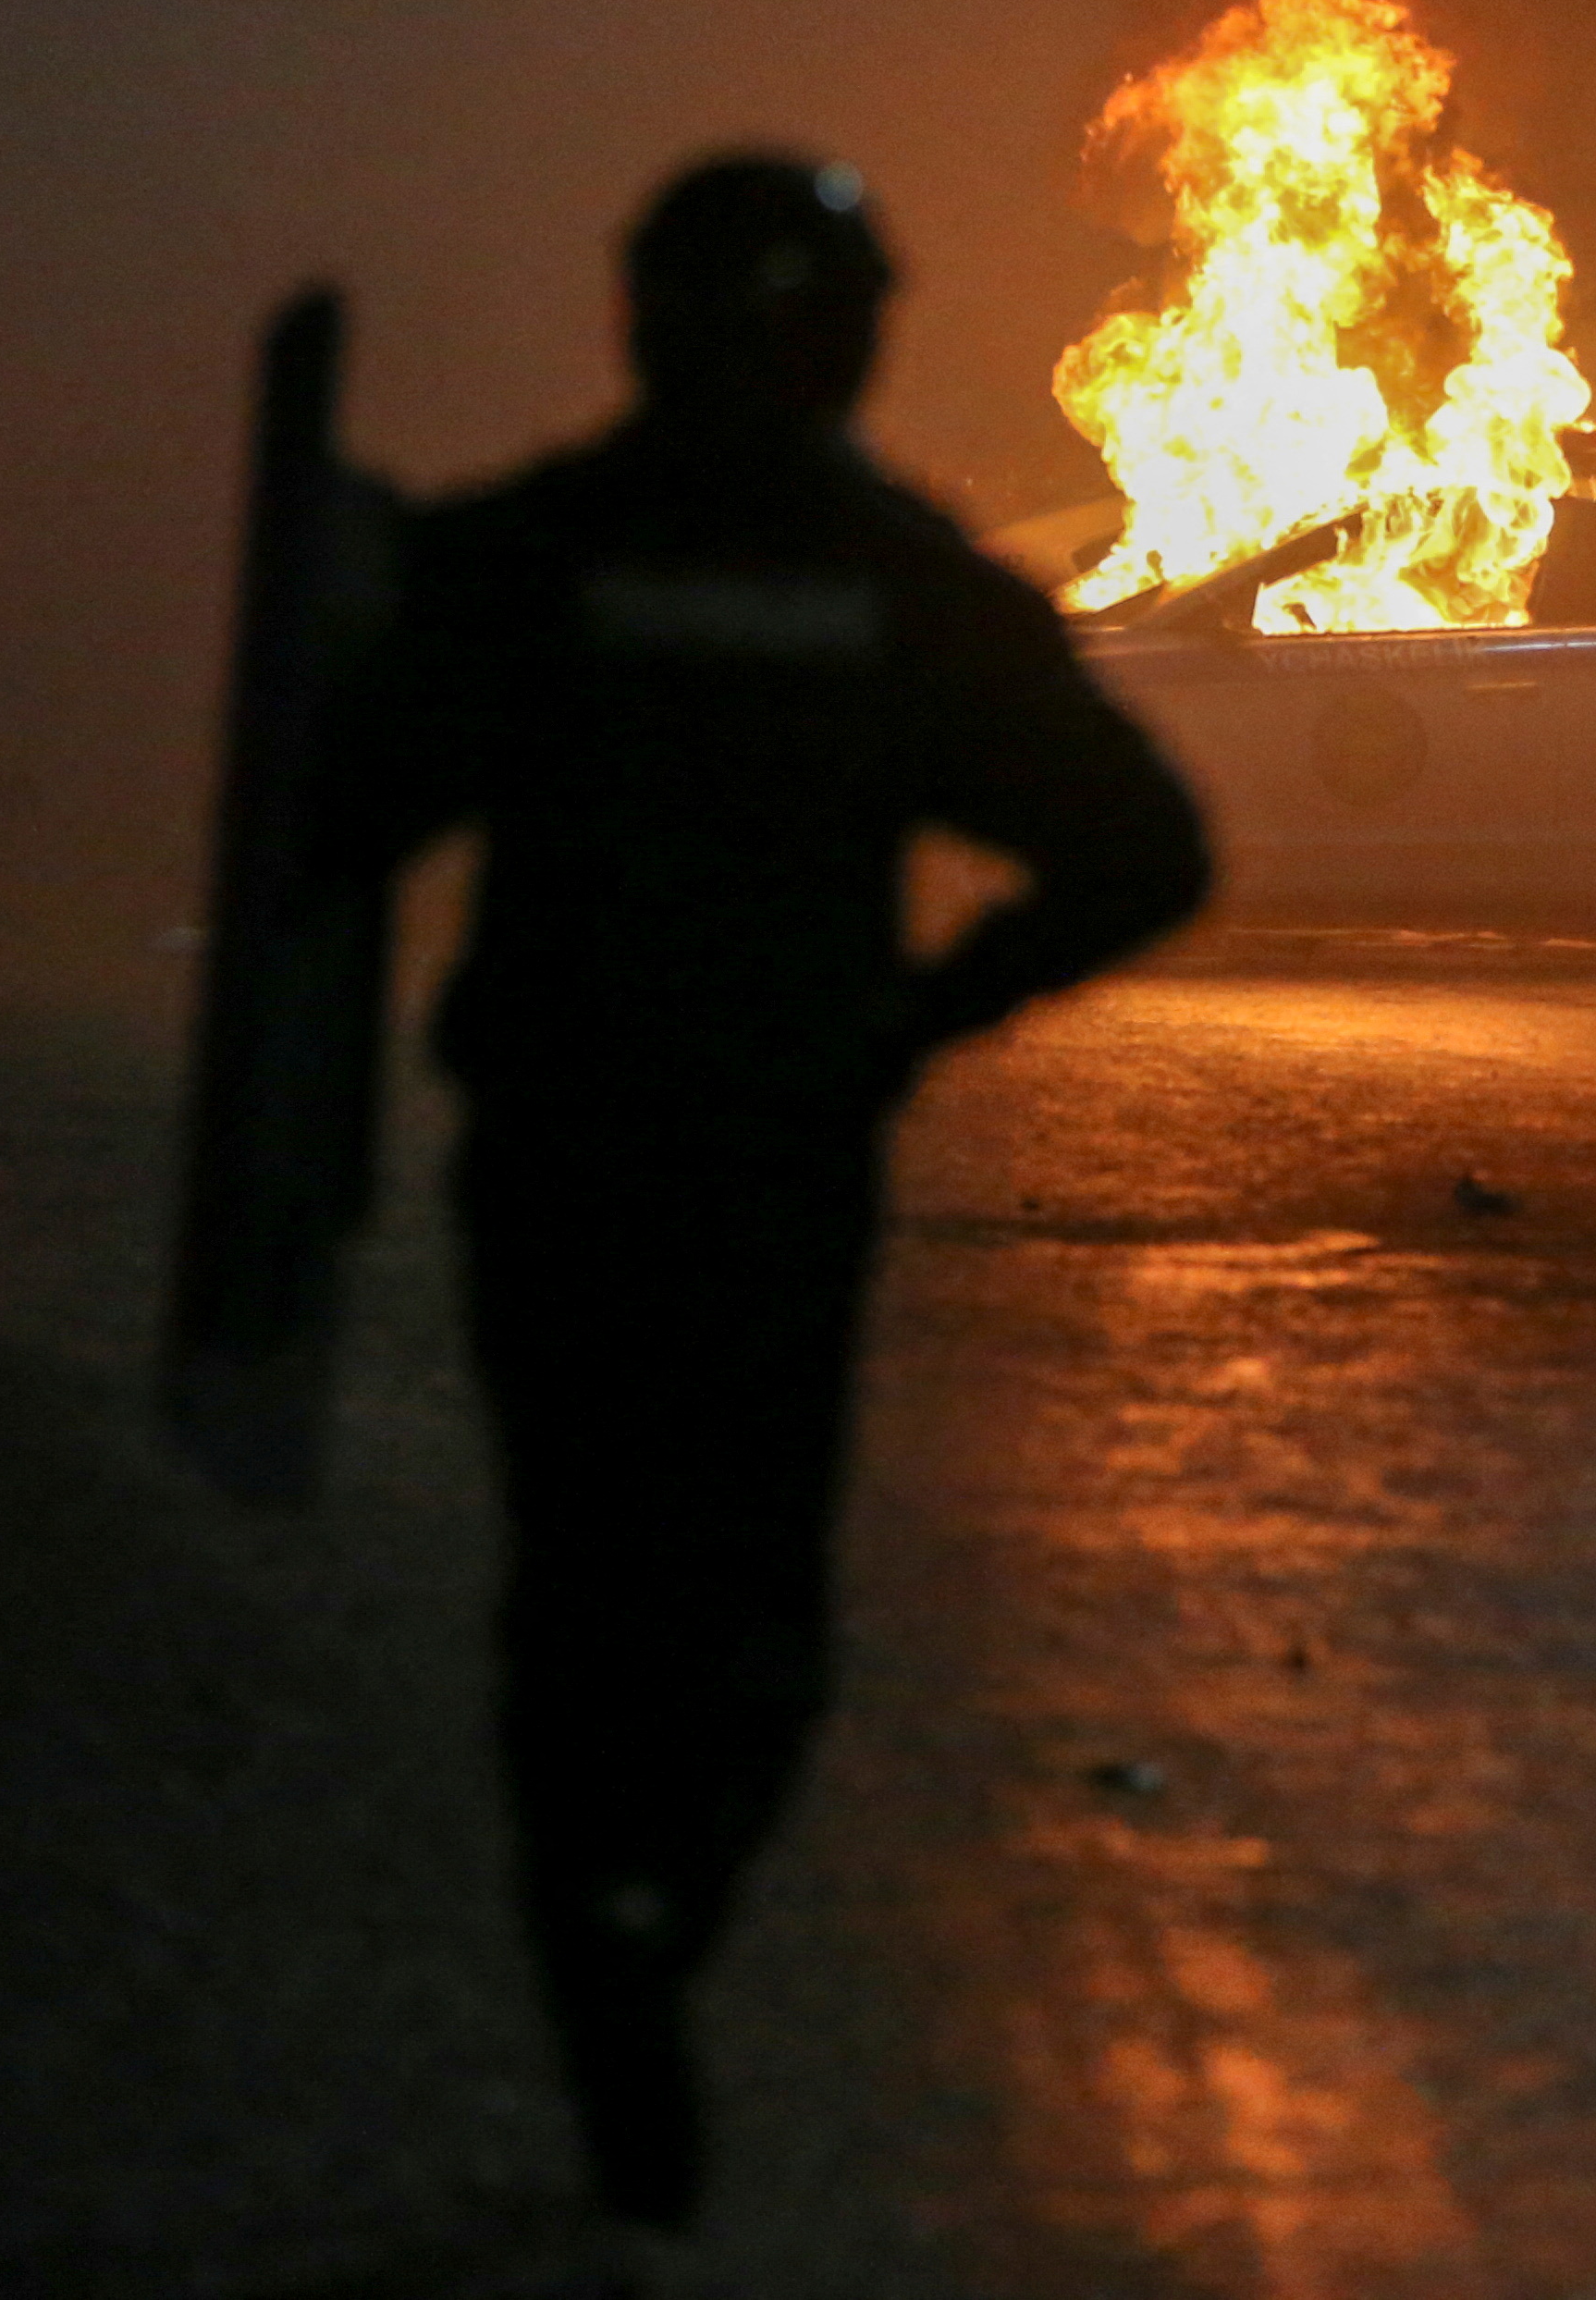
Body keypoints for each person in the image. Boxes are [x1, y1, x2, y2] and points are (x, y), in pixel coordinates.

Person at [313, 154, 1211, 2254]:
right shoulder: (901, 587)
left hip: (550, 1153)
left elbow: (341, 810)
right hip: (770, 1169)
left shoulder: (534, 553)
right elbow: (1148, 846)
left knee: (573, 1575)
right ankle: (659, 1905)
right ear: (849, 338)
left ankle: (598, 1925)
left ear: (643, 319)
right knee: (752, 1608)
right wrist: (915, 1014)